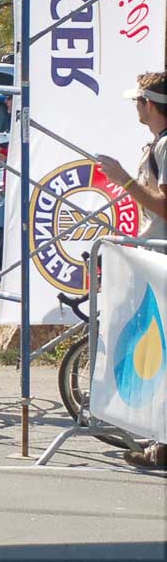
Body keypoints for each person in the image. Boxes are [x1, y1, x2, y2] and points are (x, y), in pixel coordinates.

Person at [96, 70, 167, 470]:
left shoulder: (166, 147)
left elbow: (164, 206)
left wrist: (123, 178)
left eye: (138, 102)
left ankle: (160, 444)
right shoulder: (157, 145)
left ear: (151, 104)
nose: (136, 109)